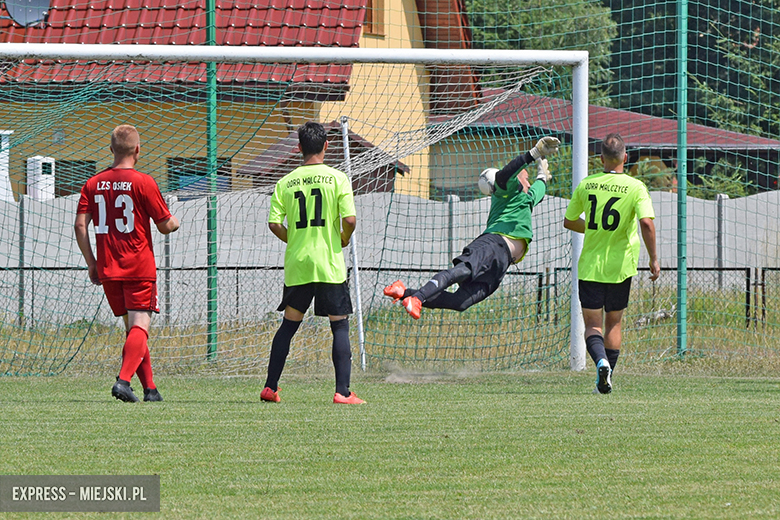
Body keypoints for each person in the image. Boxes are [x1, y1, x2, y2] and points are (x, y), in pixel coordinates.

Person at [383, 136, 560, 319]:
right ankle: (417, 298)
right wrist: (533, 154)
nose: (528, 182)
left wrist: (542, 173)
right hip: (493, 245)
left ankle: (404, 292)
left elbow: (539, 187)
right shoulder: (506, 190)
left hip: (502, 262)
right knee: (461, 271)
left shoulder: (525, 199)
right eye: (526, 177)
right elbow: (507, 172)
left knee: (461, 302)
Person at [75, 124, 180, 403]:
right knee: (140, 328)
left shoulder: (93, 183)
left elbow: (80, 226)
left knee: (132, 329)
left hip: (108, 267)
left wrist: (92, 262)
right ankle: (123, 381)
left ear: (111, 149)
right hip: (138, 266)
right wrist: (175, 222)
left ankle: (150, 389)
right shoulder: (144, 182)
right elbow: (164, 225)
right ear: (138, 150)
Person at [263, 121, 364, 405]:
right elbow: (350, 220)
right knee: (340, 325)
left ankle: (270, 387)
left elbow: (273, 224)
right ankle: (342, 392)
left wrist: (293, 239)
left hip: (299, 264)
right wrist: (343, 238)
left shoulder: (285, 182)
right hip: (329, 264)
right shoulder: (337, 178)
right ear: (326, 146)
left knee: (288, 326)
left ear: (298, 148)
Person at [563, 132, 660, 394]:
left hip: (591, 266)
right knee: (614, 323)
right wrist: (653, 258)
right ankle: (607, 375)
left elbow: (570, 221)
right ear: (625, 158)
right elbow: (646, 223)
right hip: (621, 268)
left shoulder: (587, 184)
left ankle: (600, 363)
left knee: (592, 325)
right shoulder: (636, 187)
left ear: (600, 158)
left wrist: (594, 230)